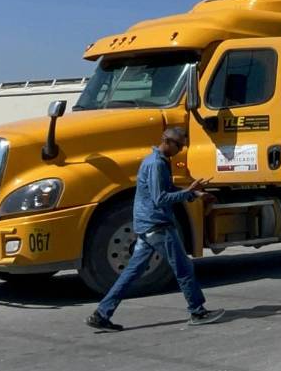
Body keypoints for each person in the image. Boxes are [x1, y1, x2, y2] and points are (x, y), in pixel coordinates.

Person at [86, 126, 224, 331]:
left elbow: (165, 189)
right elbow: (160, 198)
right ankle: (197, 311)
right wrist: (188, 192)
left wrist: (195, 194)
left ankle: (101, 314)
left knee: (131, 273)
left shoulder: (157, 161)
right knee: (184, 267)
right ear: (167, 141)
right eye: (179, 145)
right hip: (157, 225)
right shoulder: (156, 164)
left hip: (147, 226)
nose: (180, 149)